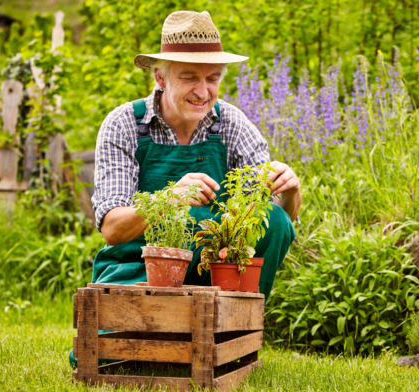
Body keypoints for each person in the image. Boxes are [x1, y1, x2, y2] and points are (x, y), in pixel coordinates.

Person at [90, 10, 301, 300]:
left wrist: (288, 191)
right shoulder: (124, 124)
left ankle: (236, 329)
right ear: (160, 77)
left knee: (275, 219)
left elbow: (273, 226)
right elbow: (112, 228)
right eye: (189, 77)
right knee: (130, 338)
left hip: (212, 275)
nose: (203, 92)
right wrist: (169, 198)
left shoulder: (231, 124)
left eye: (212, 79)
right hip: (136, 270)